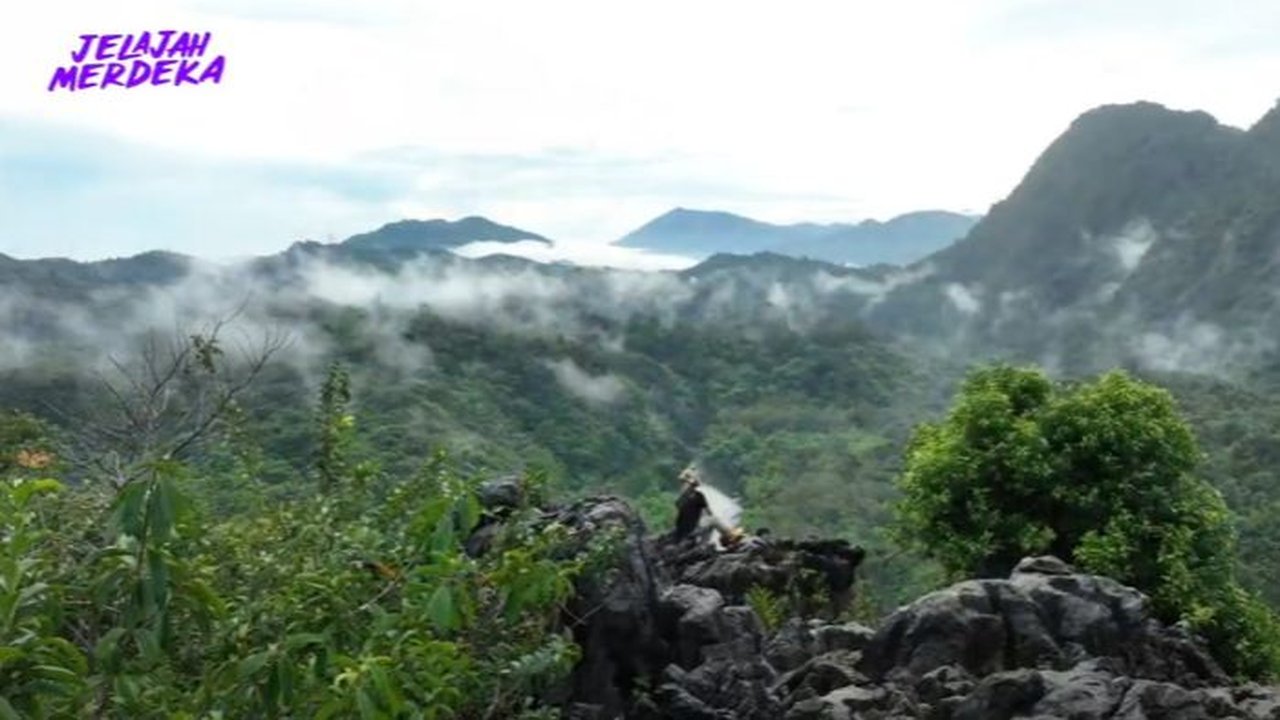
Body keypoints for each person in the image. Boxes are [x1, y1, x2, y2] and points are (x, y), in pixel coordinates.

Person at [672, 465, 709, 542]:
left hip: (682, 530)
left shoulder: (680, 500)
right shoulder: (698, 497)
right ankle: (704, 543)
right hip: (691, 530)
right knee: (713, 520)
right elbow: (709, 512)